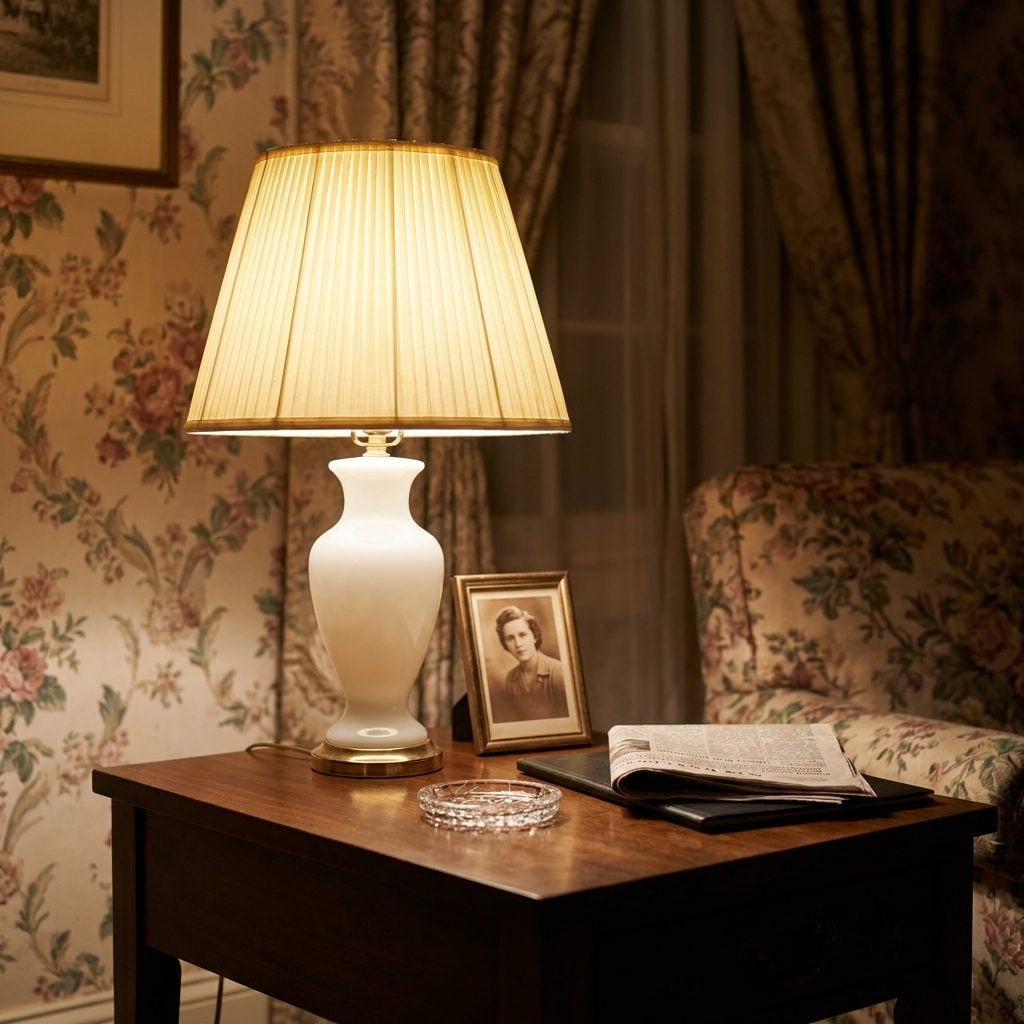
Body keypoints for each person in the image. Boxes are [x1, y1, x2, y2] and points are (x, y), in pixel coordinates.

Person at [488, 605, 569, 723]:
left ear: (534, 636)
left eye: (522, 635)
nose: (518, 644)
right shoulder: (511, 679)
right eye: (510, 638)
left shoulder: (558, 672)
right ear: (505, 644)